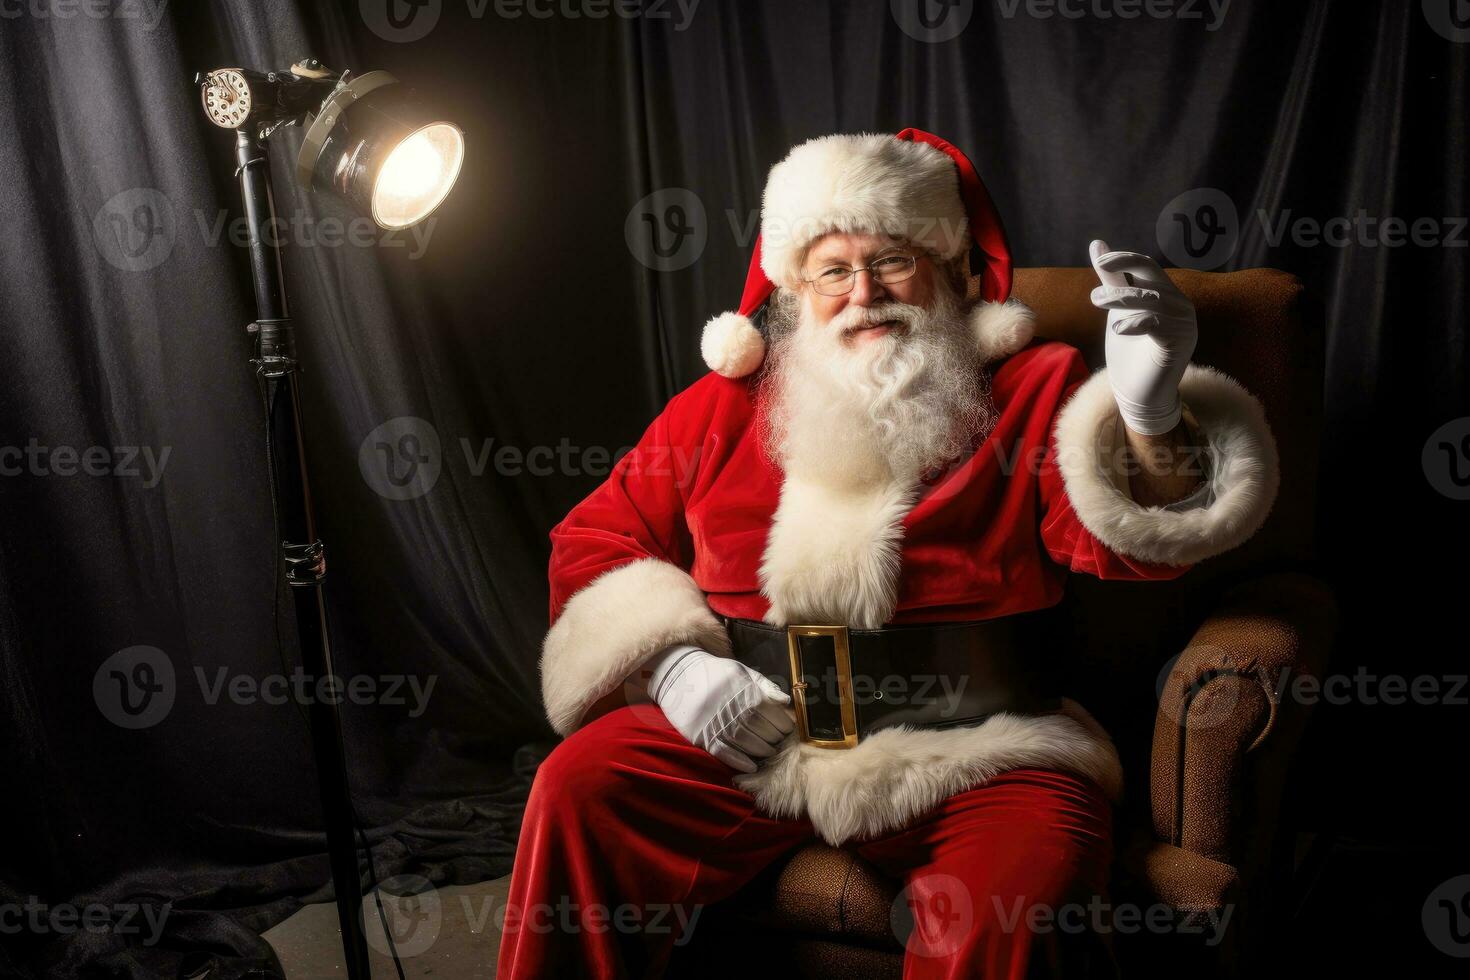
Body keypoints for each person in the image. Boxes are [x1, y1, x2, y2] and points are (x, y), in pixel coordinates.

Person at [498, 128, 1280, 978]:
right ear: (795, 293)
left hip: (982, 748)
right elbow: (595, 537)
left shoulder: (1032, 389)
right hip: (755, 740)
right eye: (833, 270)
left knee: (1012, 905)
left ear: (949, 271)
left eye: (894, 260)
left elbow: (1125, 546)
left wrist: (1151, 413)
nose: (864, 293)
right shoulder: (716, 411)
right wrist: (671, 669)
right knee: (580, 789)